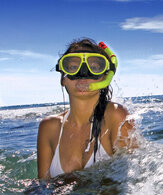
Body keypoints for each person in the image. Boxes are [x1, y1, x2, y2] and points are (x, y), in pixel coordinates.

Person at [37, 38, 136, 179]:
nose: (83, 75)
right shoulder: (49, 127)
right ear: (63, 79)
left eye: (94, 68)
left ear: (104, 77)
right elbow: (41, 189)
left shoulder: (115, 116)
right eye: (72, 67)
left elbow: (135, 179)